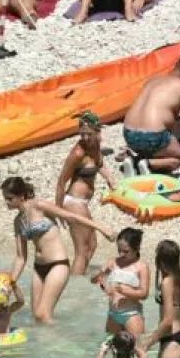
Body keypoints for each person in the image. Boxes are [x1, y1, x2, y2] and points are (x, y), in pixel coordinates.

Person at [1, 177, 115, 325]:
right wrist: (11, 283)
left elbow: (71, 216)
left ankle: (64, 340)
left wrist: (101, 228)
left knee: (43, 315)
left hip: (58, 264)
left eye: (9, 198)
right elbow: (21, 257)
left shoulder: (39, 206)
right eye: (5, 198)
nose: (6, 202)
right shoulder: (18, 221)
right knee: (36, 316)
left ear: (21, 196)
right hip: (38, 269)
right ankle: (49, 339)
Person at [55, 111, 116, 275]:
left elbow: (99, 163)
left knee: (92, 246)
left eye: (89, 134)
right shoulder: (78, 153)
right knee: (82, 250)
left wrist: (109, 178)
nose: (85, 138)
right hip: (73, 202)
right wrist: (58, 210)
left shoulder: (95, 144)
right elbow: (61, 182)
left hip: (82, 203)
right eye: (82, 134)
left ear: (97, 132)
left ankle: (78, 278)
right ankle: (74, 286)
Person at [123, 54, 180, 174]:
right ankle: (145, 163)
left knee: (157, 144)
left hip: (128, 134)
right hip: (152, 136)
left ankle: (135, 159)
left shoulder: (152, 80)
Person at [138, 240, 180, 358]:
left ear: (160, 260)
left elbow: (168, 320)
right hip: (174, 337)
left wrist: (149, 341)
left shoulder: (167, 282)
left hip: (172, 339)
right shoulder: (178, 279)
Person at [91, 228, 149, 337]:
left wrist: (124, 291)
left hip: (131, 314)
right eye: (119, 250)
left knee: (137, 345)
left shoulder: (142, 266)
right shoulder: (113, 262)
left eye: (126, 251)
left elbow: (144, 294)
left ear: (137, 248)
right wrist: (100, 273)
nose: (121, 254)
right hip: (113, 314)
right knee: (109, 344)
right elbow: (93, 280)